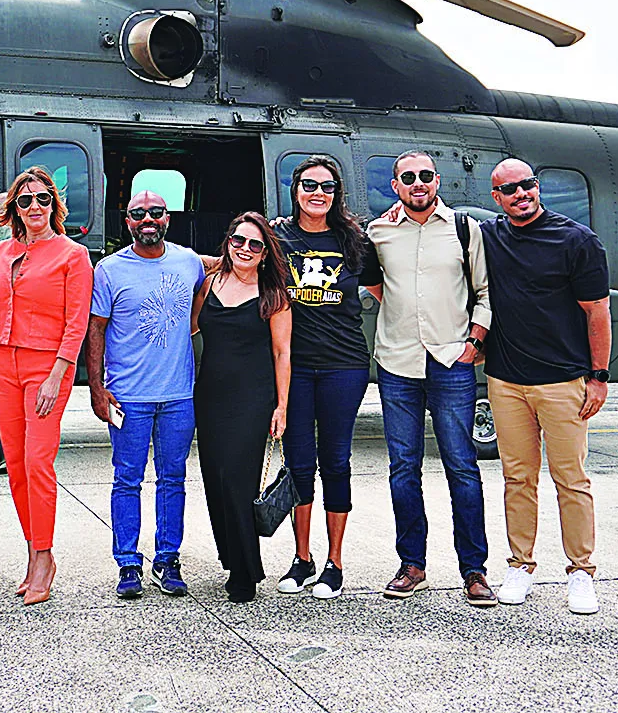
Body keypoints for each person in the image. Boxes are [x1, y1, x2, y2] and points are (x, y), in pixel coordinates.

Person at [364, 151, 495, 606]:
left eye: (424, 176)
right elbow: (376, 283)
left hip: (450, 362)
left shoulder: (464, 229)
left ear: (436, 181)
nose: (417, 184)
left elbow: (483, 291)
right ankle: (412, 564)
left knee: (462, 466)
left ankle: (474, 571)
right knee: (403, 469)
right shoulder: (379, 233)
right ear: (395, 185)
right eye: (407, 178)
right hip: (398, 363)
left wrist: (473, 342)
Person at [482, 158, 612, 615]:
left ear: (538, 188)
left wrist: (598, 377)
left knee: (571, 480)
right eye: (510, 189)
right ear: (496, 198)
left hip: (563, 382)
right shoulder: (491, 236)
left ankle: (581, 572)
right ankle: (520, 565)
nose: (521, 194)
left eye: (528, 185)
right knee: (518, 478)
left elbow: (597, 312)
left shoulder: (576, 240)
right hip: (506, 382)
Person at [271, 154, 383, 600]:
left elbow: (383, 291)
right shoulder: (277, 238)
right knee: (299, 463)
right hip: (294, 367)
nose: (318, 194)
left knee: (335, 461)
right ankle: (302, 558)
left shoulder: (355, 241)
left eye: (327, 187)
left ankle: (335, 562)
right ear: (295, 191)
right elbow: (236, 257)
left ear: (336, 195)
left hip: (344, 365)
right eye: (309, 185)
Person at [86, 191, 207, 599]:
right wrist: (97, 387)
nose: (147, 220)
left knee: (173, 478)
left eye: (156, 213)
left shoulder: (189, 262)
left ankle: (168, 558)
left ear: (167, 218)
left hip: (178, 395)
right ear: (128, 221)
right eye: (138, 214)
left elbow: (216, 279)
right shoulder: (109, 270)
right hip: (128, 396)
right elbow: (96, 329)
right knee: (127, 479)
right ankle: (128, 563)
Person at [0, 166, 93, 606]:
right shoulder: (5, 251)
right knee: (13, 465)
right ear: (14, 207)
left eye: (42, 199)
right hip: (2, 363)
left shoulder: (72, 255)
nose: (34, 207)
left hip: (46, 368)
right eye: (25, 200)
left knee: (37, 463)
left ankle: (45, 556)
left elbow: (77, 321)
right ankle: (31, 552)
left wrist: (57, 374)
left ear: (54, 205)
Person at [192, 213, 292, 603]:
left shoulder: (274, 296)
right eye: (238, 241)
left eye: (254, 244)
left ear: (266, 253)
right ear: (227, 243)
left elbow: (282, 353)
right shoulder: (211, 282)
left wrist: (281, 406)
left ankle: (247, 570)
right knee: (215, 480)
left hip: (253, 399)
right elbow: (191, 327)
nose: (245, 249)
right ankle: (231, 557)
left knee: (238, 481)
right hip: (210, 395)